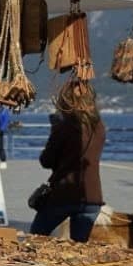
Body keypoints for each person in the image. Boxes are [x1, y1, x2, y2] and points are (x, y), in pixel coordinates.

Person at [28, 80, 107, 242]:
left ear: (65, 101)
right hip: (92, 196)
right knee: (79, 247)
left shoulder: (65, 126)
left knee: (35, 237)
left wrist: (55, 129)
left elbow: (46, 161)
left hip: (64, 194)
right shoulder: (99, 126)